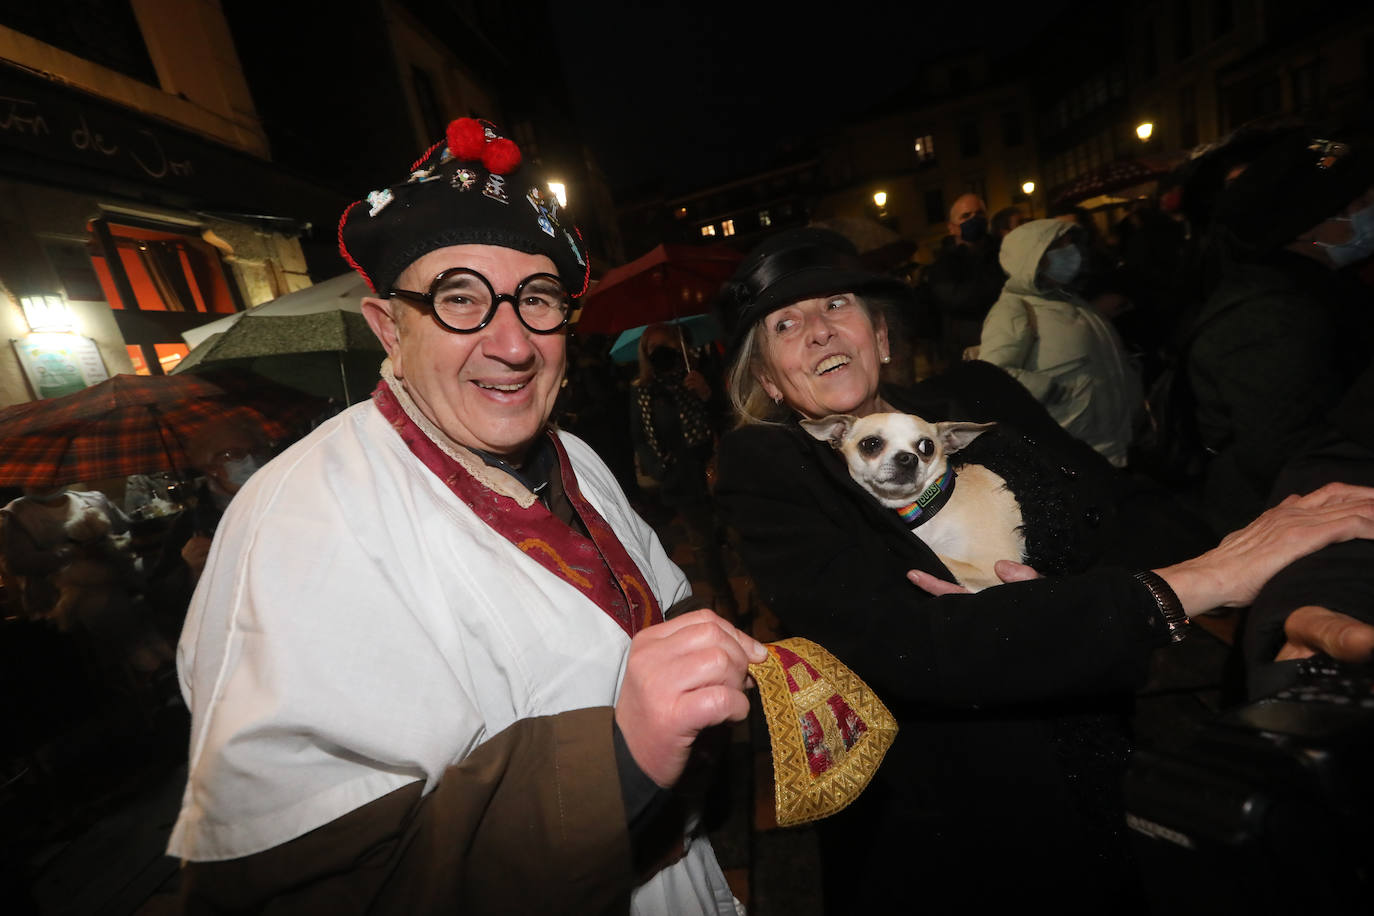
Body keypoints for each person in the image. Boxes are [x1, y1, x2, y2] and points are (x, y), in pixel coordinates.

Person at [167, 117, 765, 915]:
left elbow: (660, 603)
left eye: (539, 300)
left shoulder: (575, 457)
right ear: (389, 327)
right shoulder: (296, 526)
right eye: (460, 300)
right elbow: (307, 886)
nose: (512, 344)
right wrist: (618, 760)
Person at [711, 226, 1374, 912]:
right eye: (786, 323)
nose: (819, 330)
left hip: (1097, 735)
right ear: (769, 379)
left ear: (880, 337)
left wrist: (1264, 565)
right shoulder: (769, 468)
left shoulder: (977, 394)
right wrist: (1189, 585)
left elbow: (1122, 507)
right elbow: (912, 642)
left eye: (837, 304)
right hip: (966, 809)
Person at [1183, 131, 1374, 534]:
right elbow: (1286, 455)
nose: (1370, 208)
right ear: (1310, 227)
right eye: (1360, 202)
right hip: (1282, 525)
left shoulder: (1319, 288)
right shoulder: (1268, 318)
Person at [975, 218, 1144, 467]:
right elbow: (990, 376)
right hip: (1074, 453)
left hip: (1114, 445)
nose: (1071, 253)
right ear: (1033, 257)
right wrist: (1050, 390)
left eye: (1070, 245)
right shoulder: (1013, 309)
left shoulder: (1070, 300)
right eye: (1060, 247)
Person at [628, 323, 736, 616]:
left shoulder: (700, 375)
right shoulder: (644, 392)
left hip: (719, 472)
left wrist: (707, 394)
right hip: (681, 480)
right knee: (703, 547)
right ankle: (727, 606)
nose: (661, 352)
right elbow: (640, 439)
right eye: (653, 348)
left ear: (681, 347)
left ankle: (765, 601)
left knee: (739, 534)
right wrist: (661, 470)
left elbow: (731, 419)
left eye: (668, 344)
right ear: (645, 354)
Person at [144, 419, 271, 634]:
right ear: (210, 467)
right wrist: (191, 572)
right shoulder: (192, 525)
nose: (249, 460)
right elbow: (162, 604)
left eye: (255, 450)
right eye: (233, 454)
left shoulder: (287, 496)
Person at [916, 192, 1006, 363]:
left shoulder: (1003, 252)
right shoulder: (943, 265)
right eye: (966, 216)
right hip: (965, 352)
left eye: (979, 214)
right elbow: (958, 299)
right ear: (952, 228)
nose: (974, 219)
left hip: (1003, 344)